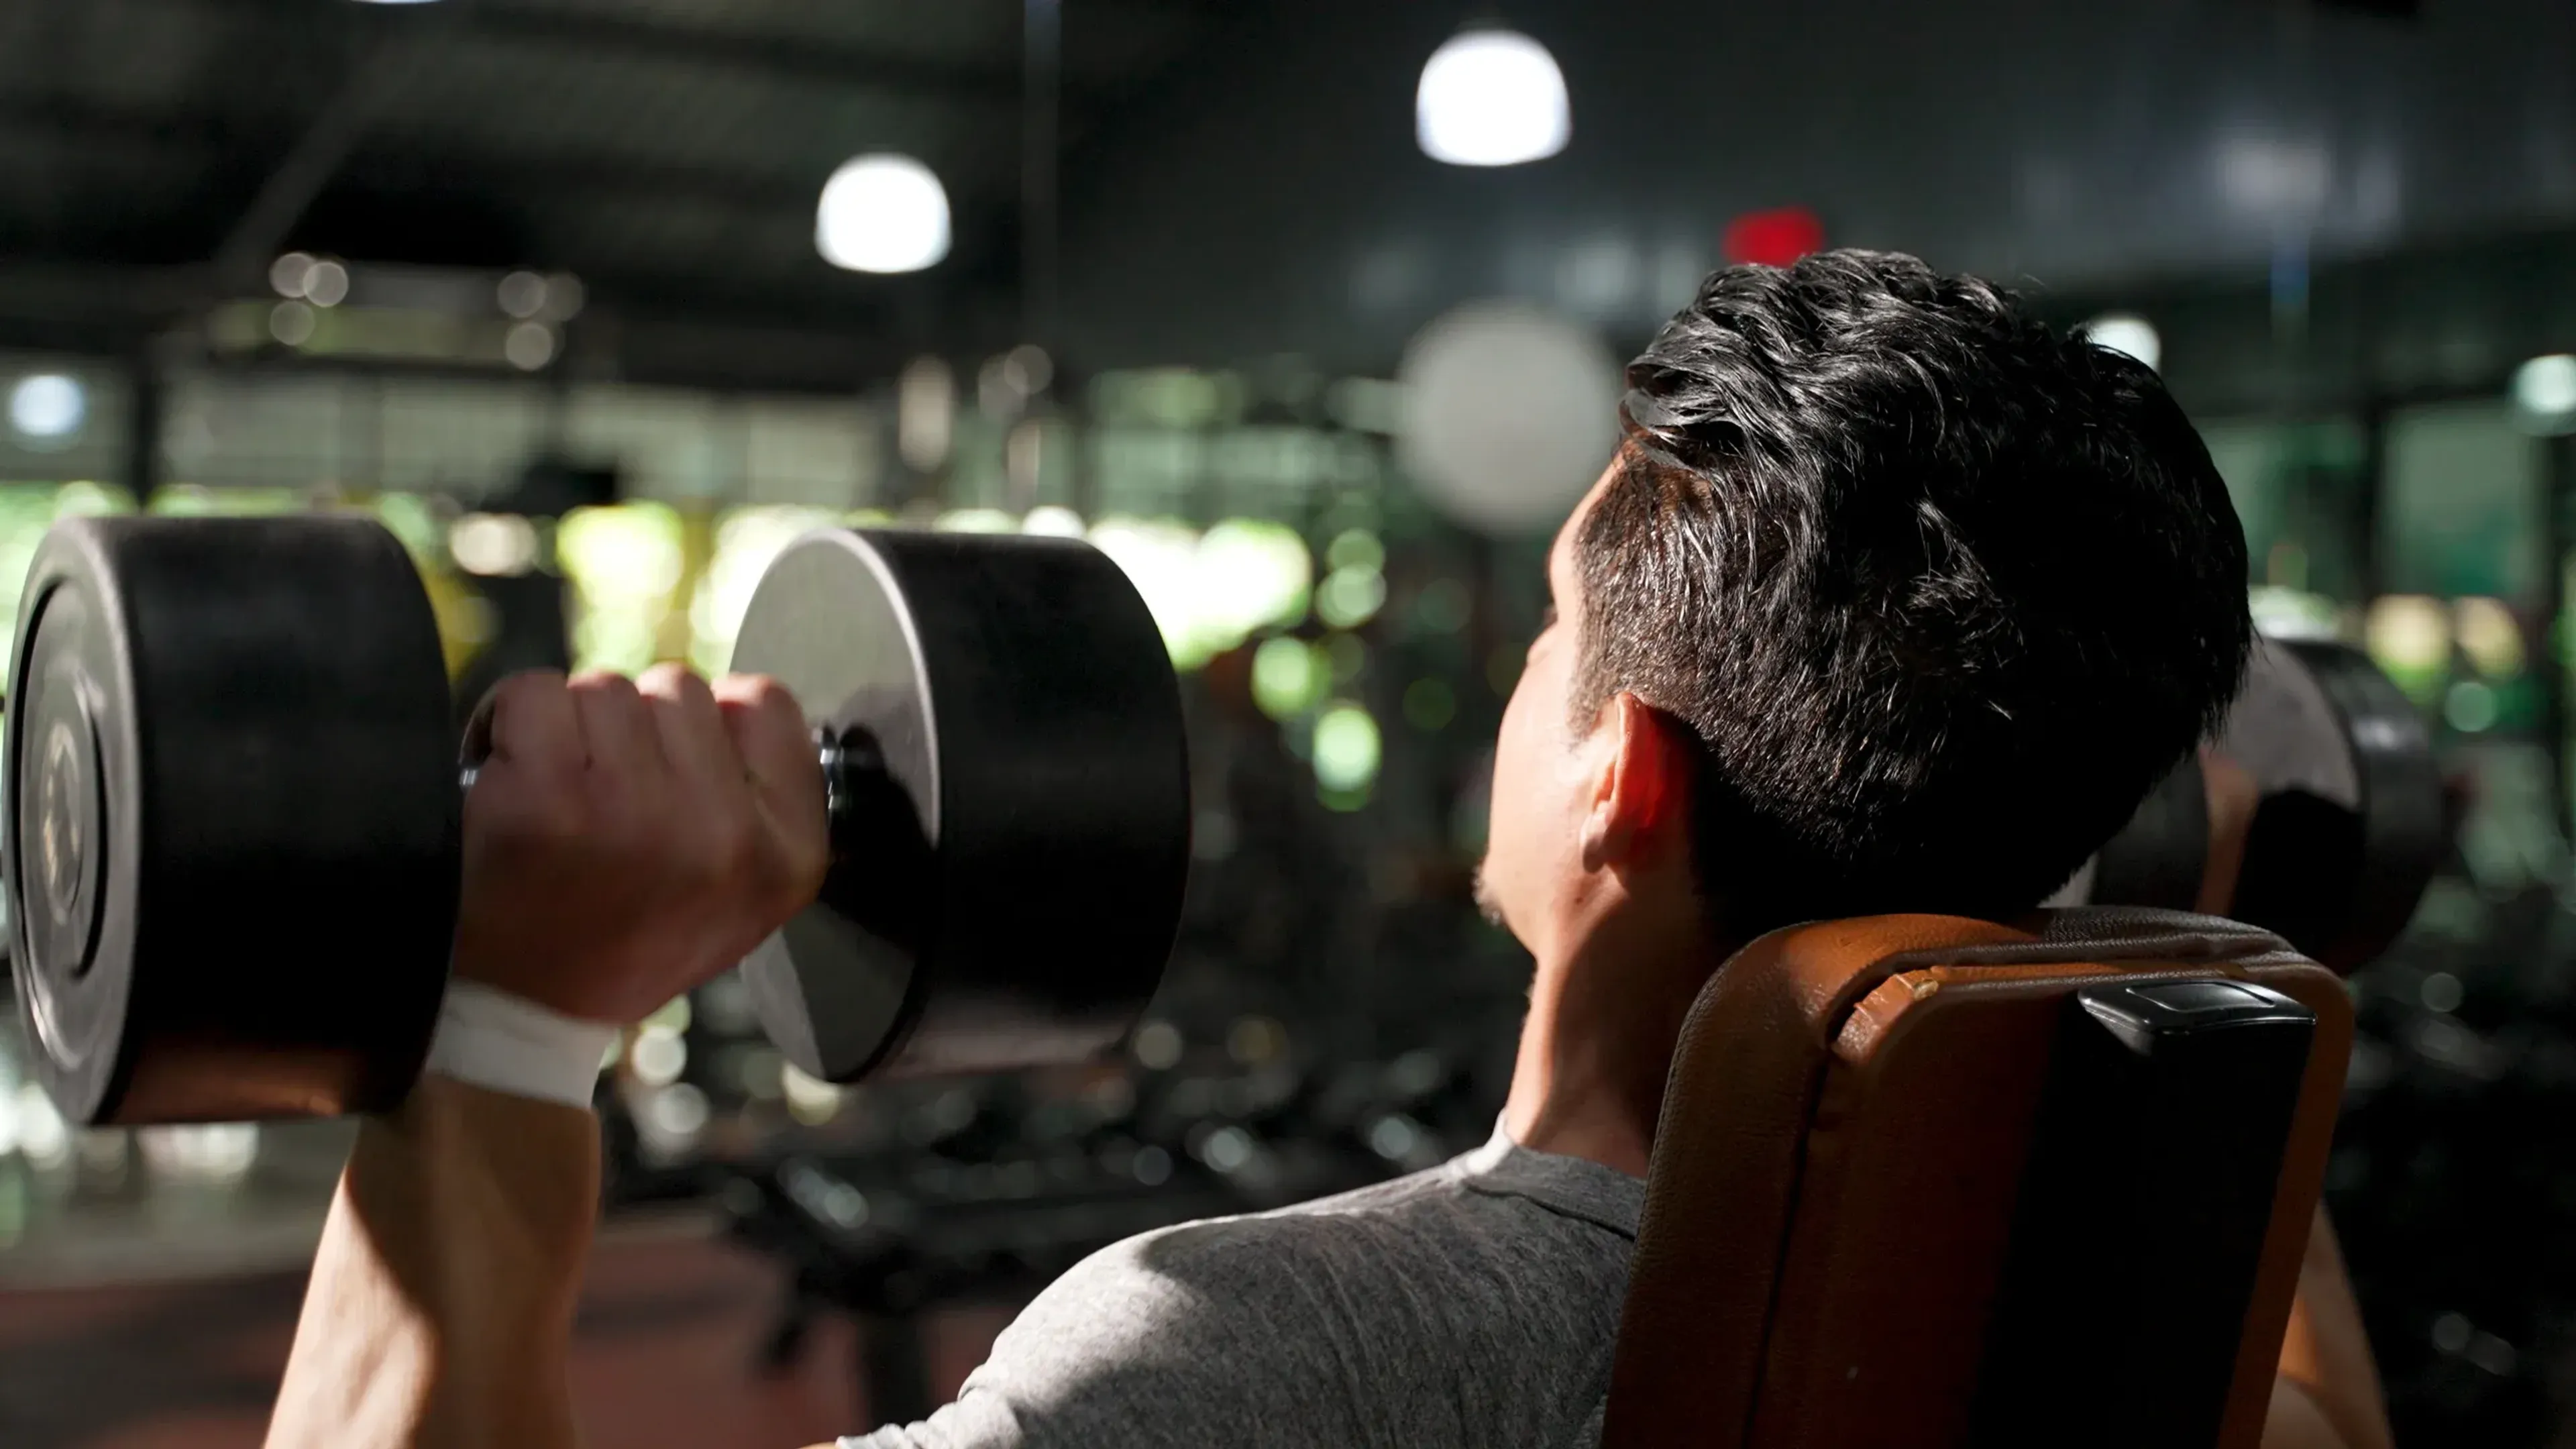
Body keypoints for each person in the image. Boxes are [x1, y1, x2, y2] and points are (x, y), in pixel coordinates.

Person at [263, 251, 2392, 1449]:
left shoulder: (1260, 1358)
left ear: (1616, 777)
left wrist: (509, 1016)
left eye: (1549, 639)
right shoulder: (2119, 1331)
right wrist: (2225, 927)